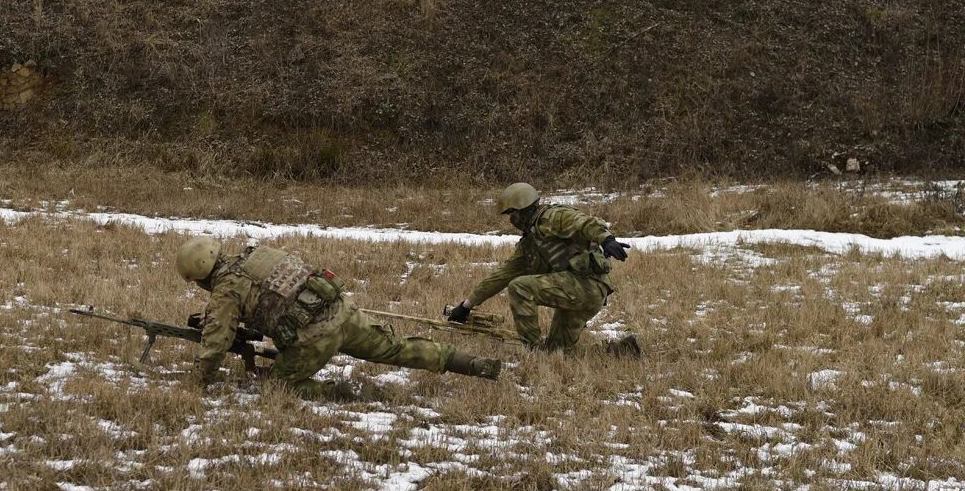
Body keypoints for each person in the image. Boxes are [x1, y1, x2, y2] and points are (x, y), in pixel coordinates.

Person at [176, 237, 501, 400]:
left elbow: (216, 343)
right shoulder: (258, 255)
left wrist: (199, 380)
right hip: (342, 311)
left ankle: (339, 392)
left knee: (277, 385)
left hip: (313, 337)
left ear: (201, 275)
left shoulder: (224, 290)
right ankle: (472, 364)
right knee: (397, 348)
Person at [447, 183, 640, 356]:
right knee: (557, 352)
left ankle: (533, 351)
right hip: (581, 292)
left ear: (522, 210)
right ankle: (621, 350)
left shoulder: (552, 217)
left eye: (512, 214)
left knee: (520, 287)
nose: (511, 220)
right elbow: (500, 276)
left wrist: (606, 239)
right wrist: (466, 306)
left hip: (586, 285)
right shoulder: (529, 244)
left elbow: (586, 222)